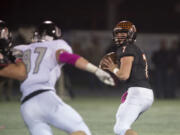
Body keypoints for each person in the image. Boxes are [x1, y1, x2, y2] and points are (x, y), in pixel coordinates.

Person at [11, 20, 114, 135]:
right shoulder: (56, 45)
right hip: (45, 98)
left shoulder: (22, 49)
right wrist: (96, 70)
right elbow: (67, 57)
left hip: (27, 106)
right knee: (80, 130)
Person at [100, 20, 154, 135]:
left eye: (123, 34)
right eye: (117, 33)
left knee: (120, 128)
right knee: (120, 120)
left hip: (138, 93)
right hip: (142, 92)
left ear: (131, 35)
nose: (119, 36)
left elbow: (124, 75)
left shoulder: (126, 49)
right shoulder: (134, 48)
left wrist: (113, 68)